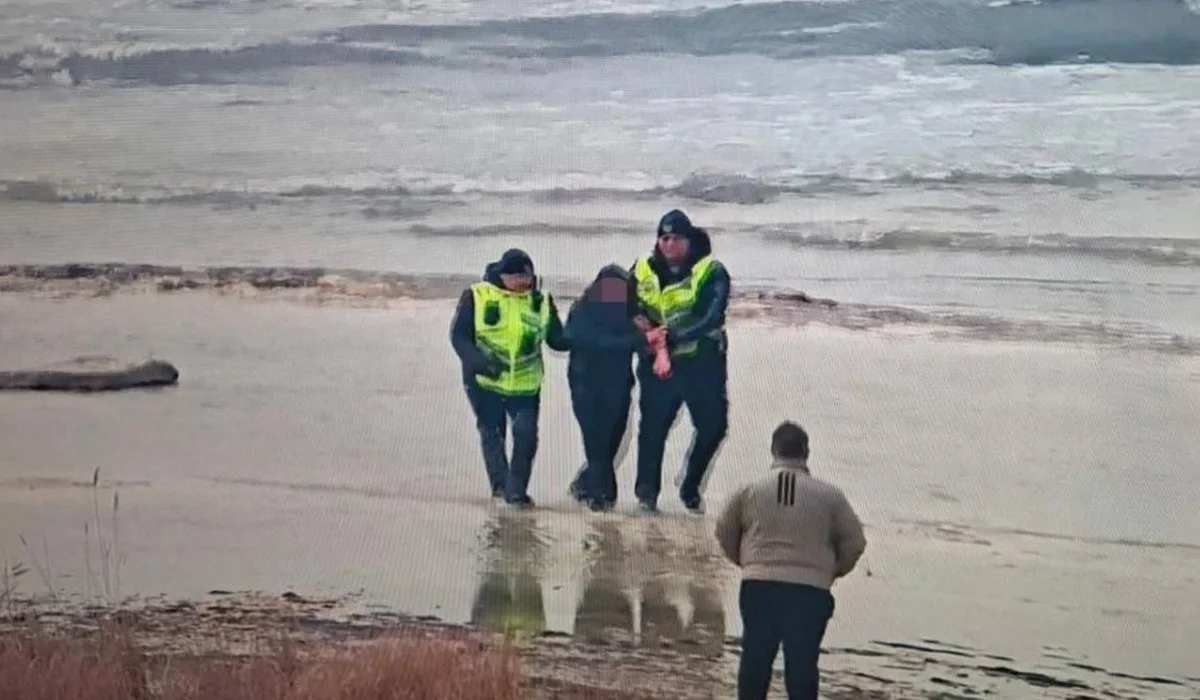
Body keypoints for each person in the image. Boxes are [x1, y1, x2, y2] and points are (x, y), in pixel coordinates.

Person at [713, 421, 868, 700]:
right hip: (810, 589)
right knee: (803, 663)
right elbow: (855, 541)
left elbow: (724, 530)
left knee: (755, 658)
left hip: (759, 584)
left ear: (773, 450)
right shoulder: (829, 495)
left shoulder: (749, 490)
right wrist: (832, 571)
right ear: (806, 452)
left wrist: (747, 562)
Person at [629, 209, 732, 514]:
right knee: (652, 430)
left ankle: (690, 485)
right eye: (664, 238)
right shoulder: (642, 268)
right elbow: (626, 305)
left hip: (702, 363)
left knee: (713, 427)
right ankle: (646, 495)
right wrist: (646, 334)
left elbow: (712, 317)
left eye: (676, 238)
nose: (670, 244)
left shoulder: (711, 271)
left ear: (689, 240)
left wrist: (669, 337)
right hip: (656, 366)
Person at [449, 248, 568, 507]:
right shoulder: (477, 295)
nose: (523, 283)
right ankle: (502, 490)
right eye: (517, 278)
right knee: (493, 434)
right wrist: (480, 363)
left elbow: (558, 340)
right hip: (484, 381)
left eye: (527, 277)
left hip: (525, 384)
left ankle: (517, 490)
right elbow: (458, 337)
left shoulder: (541, 301)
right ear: (503, 276)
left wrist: (588, 331)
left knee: (526, 436)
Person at [563, 264, 643, 512]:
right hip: (585, 386)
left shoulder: (632, 314)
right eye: (608, 287)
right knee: (596, 443)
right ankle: (603, 500)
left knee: (614, 444)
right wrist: (637, 338)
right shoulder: (582, 310)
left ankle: (583, 485)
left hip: (618, 388)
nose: (613, 293)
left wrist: (657, 339)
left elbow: (644, 347)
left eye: (619, 288)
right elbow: (590, 340)